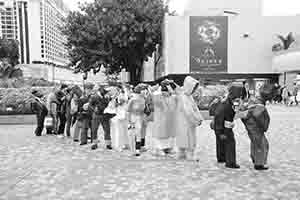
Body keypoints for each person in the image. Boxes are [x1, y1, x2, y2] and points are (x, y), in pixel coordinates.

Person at [241, 83, 273, 170]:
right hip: (256, 128)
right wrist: (264, 127)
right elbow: (262, 119)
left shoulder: (253, 100)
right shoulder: (260, 106)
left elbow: (245, 113)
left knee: (255, 143)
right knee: (261, 144)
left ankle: (255, 159)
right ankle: (259, 164)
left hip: (251, 126)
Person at [213, 84, 243, 169]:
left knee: (221, 142)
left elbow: (235, 110)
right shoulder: (228, 103)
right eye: (239, 93)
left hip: (220, 125)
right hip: (223, 125)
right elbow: (223, 116)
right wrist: (220, 132)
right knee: (230, 142)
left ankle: (221, 158)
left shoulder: (229, 100)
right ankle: (230, 162)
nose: (240, 96)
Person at [174, 76, 203, 160]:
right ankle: (189, 155)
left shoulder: (188, 96)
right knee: (188, 138)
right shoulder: (184, 97)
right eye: (193, 87)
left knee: (185, 137)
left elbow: (195, 108)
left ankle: (182, 154)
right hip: (186, 122)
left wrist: (199, 117)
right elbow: (189, 111)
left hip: (187, 122)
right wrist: (196, 120)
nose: (194, 90)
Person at [151, 79, 177, 156]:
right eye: (165, 90)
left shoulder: (172, 97)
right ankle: (158, 149)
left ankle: (168, 148)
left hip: (170, 120)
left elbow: (177, 95)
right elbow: (156, 95)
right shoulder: (158, 96)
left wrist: (170, 88)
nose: (167, 92)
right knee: (161, 133)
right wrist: (160, 86)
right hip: (160, 119)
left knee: (170, 134)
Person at [90, 86, 115, 150]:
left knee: (107, 130)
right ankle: (94, 143)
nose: (106, 93)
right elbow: (90, 105)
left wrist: (109, 100)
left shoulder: (106, 97)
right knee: (94, 129)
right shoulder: (94, 97)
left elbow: (109, 105)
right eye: (105, 92)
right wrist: (94, 109)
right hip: (96, 115)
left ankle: (108, 144)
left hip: (104, 115)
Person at [126, 84, 147, 156]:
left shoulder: (143, 99)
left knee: (138, 133)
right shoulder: (132, 99)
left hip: (140, 118)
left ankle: (138, 149)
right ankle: (133, 149)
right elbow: (128, 111)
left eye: (145, 90)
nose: (145, 91)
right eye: (143, 90)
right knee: (132, 134)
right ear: (139, 91)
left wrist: (144, 118)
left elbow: (143, 110)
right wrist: (129, 122)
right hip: (132, 118)